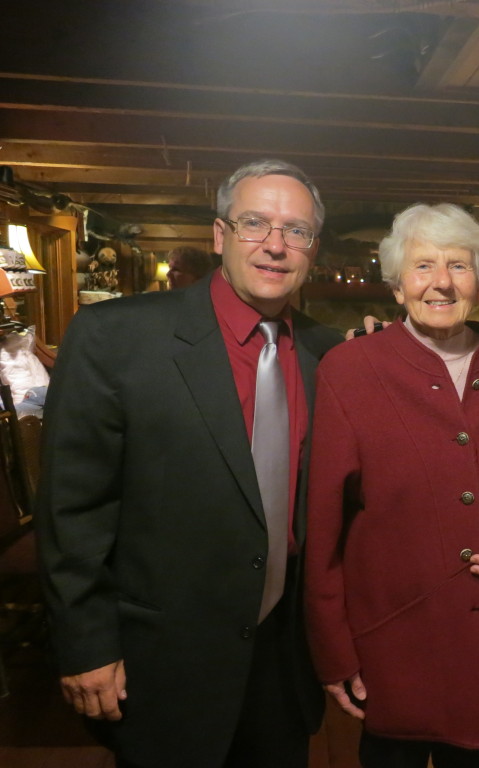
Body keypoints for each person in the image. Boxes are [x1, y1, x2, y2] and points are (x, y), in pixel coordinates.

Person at [36, 159, 343, 768]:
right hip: (161, 661)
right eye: (255, 223)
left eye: (297, 231)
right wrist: (85, 645)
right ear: (220, 235)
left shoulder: (328, 354)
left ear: (313, 248)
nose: (276, 245)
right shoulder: (115, 337)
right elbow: (72, 508)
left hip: (282, 664)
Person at [304, 202, 479, 768]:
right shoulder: (348, 369)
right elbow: (323, 523)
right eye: (423, 267)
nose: (441, 282)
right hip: (390, 639)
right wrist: (332, 650)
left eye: (459, 266)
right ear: (395, 286)